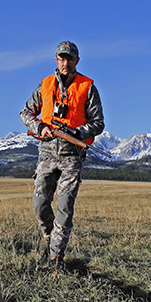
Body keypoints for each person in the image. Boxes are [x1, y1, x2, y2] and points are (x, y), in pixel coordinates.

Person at [20, 41, 105, 271]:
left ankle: (56, 256)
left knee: (65, 206)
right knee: (39, 205)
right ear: (56, 60)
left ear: (77, 61)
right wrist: (40, 128)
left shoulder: (88, 87)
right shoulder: (45, 85)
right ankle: (49, 236)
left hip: (73, 155)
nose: (65, 62)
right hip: (46, 153)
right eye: (61, 58)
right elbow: (26, 112)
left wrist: (78, 132)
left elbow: (98, 123)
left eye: (70, 58)